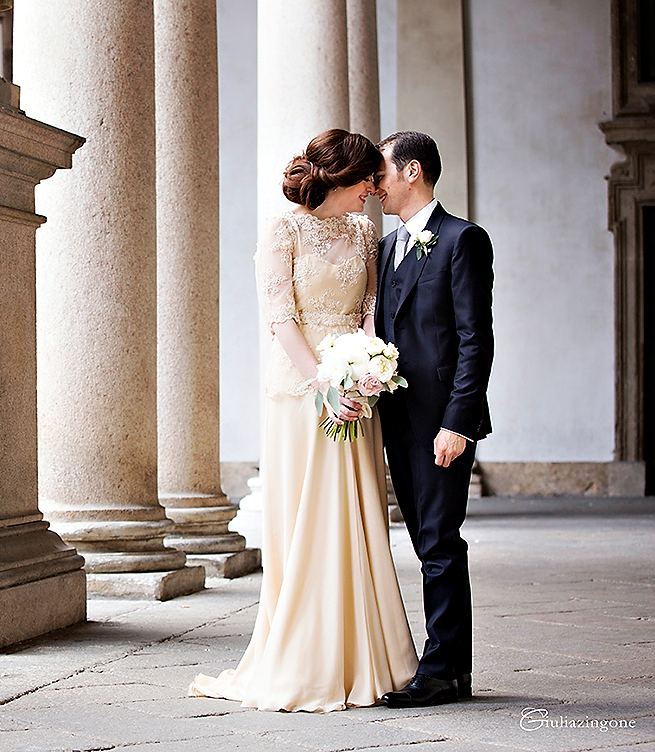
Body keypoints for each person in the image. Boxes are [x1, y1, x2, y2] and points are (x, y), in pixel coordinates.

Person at [189, 129, 418, 712]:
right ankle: (303, 657)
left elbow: (369, 310)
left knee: (358, 514)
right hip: (300, 391)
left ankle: (367, 655)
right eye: (367, 180)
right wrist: (323, 381)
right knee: (305, 517)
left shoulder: (364, 232)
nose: (373, 190)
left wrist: (368, 368)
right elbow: (280, 317)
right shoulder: (281, 229)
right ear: (342, 178)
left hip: (356, 390)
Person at [373, 131, 494, 708]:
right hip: (397, 418)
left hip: (443, 421)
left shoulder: (463, 239)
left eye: (382, 173)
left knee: (440, 541)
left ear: (412, 171)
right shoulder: (385, 247)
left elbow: (475, 340)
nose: (375, 185)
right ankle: (454, 669)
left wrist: (459, 423)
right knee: (426, 540)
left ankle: (442, 670)